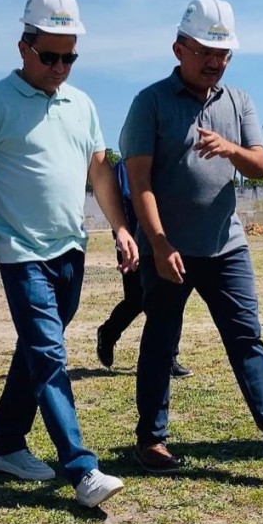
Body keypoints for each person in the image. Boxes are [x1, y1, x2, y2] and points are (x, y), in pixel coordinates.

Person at [119, 0, 263, 479]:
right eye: (206, 52)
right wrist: (158, 243)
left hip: (227, 247)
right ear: (179, 48)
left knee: (247, 340)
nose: (215, 63)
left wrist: (229, 148)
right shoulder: (150, 103)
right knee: (161, 339)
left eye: (223, 55)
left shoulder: (238, 101)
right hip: (170, 250)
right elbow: (139, 183)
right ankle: (151, 440)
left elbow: (261, 167)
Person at [0, 0, 138, 508]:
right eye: (50, 55)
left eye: (69, 57)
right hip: (20, 251)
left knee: (37, 348)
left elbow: (100, 174)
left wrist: (120, 228)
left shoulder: (82, 105)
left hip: (71, 250)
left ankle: (9, 443)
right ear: (23, 47)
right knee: (50, 352)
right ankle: (81, 469)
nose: (60, 67)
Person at [96, 159, 192, 378]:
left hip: (164, 242)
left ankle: (169, 358)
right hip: (134, 245)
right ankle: (108, 334)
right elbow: (126, 205)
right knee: (136, 300)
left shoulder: (164, 164)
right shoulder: (124, 168)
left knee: (171, 297)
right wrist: (129, 240)